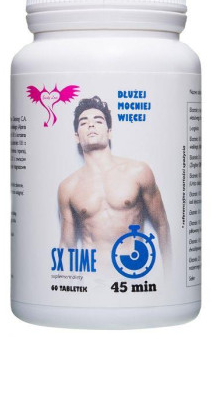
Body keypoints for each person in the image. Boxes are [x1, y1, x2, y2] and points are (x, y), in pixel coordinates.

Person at [58, 96, 171, 273]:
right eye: (83, 122)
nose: (91, 125)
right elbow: (66, 245)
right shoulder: (68, 187)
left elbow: (162, 225)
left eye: (98, 121)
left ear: (109, 132)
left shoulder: (138, 171)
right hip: (93, 278)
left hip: (133, 274)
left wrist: (170, 276)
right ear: (76, 137)